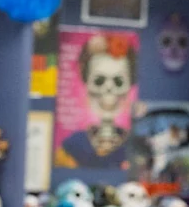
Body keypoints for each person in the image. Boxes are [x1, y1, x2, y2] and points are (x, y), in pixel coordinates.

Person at [56, 32, 137, 171]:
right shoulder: (72, 145)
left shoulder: (133, 144)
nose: (109, 89)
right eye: (99, 81)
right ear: (86, 84)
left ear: (129, 87)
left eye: (118, 81)